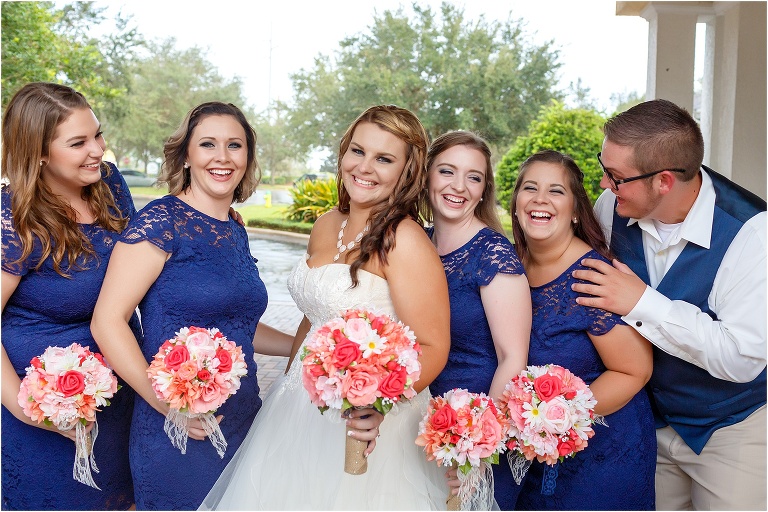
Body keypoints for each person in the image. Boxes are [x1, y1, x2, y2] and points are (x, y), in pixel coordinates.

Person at [200, 104, 453, 510]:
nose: (365, 167)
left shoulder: (404, 241)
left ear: (407, 172)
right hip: (293, 405)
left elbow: (433, 345)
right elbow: (314, 314)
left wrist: (377, 406)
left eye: (384, 159)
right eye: (358, 151)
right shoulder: (325, 223)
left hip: (363, 416)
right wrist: (284, 382)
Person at [91, 101, 292, 510]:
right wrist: (167, 405)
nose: (222, 157)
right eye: (208, 144)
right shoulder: (161, 221)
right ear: (186, 155)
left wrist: (304, 346)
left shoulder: (234, 227)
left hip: (242, 421)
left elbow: (239, 324)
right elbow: (108, 322)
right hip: (175, 428)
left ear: (248, 157)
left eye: (235, 145)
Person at [571, 99, 767, 510]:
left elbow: (742, 358)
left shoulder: (752, 233)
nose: (603, 185)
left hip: (731, 427)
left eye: (616, 176)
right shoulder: (613, 208)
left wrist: (643, 302)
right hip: (645, 418)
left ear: (663, 181)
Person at [1, 82, 137, 509]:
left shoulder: (110, 185)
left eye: (97, 134)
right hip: (41, 413)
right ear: (38, 151)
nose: (97, 149)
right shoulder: (13, 217)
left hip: (118, 401)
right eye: (78, 142)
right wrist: (30, 412)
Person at [510, 150, 656, 510]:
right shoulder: (506, 264)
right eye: (530, 188)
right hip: (530, 457)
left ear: (576, 210)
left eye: (556, 191)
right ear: (516, 204)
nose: (540, 199)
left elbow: (634, 370)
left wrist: (553, 422)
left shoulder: (591, 276)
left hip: (604, 458)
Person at [421, 130, 531, 509]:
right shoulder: (417, 241)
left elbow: (512, 357)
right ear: (427, 177)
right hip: (418, 418)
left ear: (484, 190)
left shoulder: (494, 253)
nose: (459, 186)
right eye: (447, 171)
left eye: (474, 177)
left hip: (472, 429)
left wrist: (476, 446)